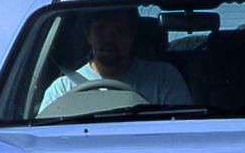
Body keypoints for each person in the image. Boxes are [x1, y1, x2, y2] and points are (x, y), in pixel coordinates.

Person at [40, 8, 191, 112]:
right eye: (100, 30)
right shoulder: (62, 89)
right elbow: (45, 141)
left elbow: (181, 131)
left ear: (132, 37)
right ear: (88, 36)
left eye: (119, 31)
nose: (109, 39)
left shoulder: (163, 78)